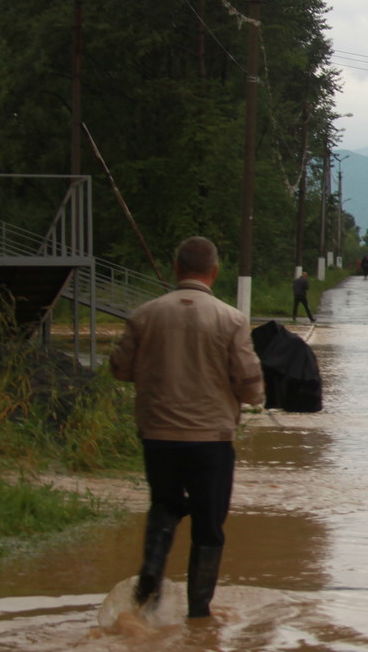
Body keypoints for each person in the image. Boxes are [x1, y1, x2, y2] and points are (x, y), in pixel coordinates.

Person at [110, 236, 265, 619]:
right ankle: (199, 612)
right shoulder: (231, 319)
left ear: (177, 268)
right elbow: (249, 385)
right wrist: (255, 396)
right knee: (209, 523)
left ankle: (151, 578)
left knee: (163, 504)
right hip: (211, 441)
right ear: (215, 272)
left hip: (157, 436)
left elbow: (120, 369)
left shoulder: (145, 314)